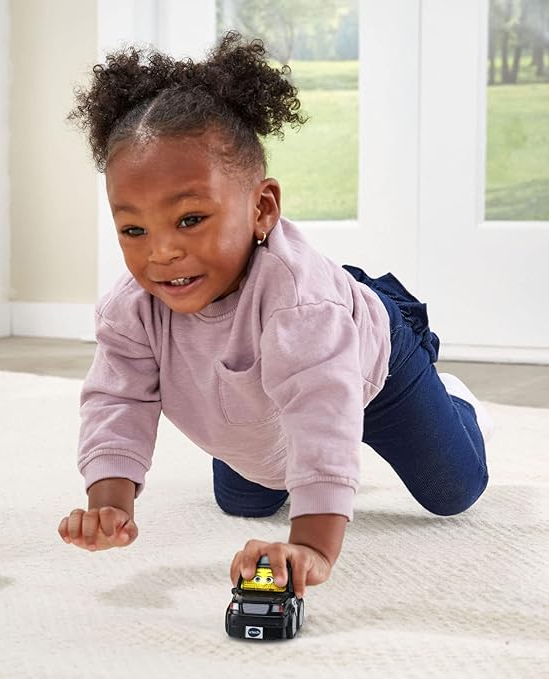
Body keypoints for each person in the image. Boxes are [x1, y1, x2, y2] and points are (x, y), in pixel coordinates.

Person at [57, 32, 493, 598]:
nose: (161, 252)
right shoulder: (132, 311)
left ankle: (448, 394)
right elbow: (119, 399)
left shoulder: (301, 306)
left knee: (453, 490)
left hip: (372, 368)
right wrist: (109, 500)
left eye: (190, 220)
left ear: (262, 208)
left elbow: (321, 415)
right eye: (134, 229)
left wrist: (312, 544)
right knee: (244, 501)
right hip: (259, 399)